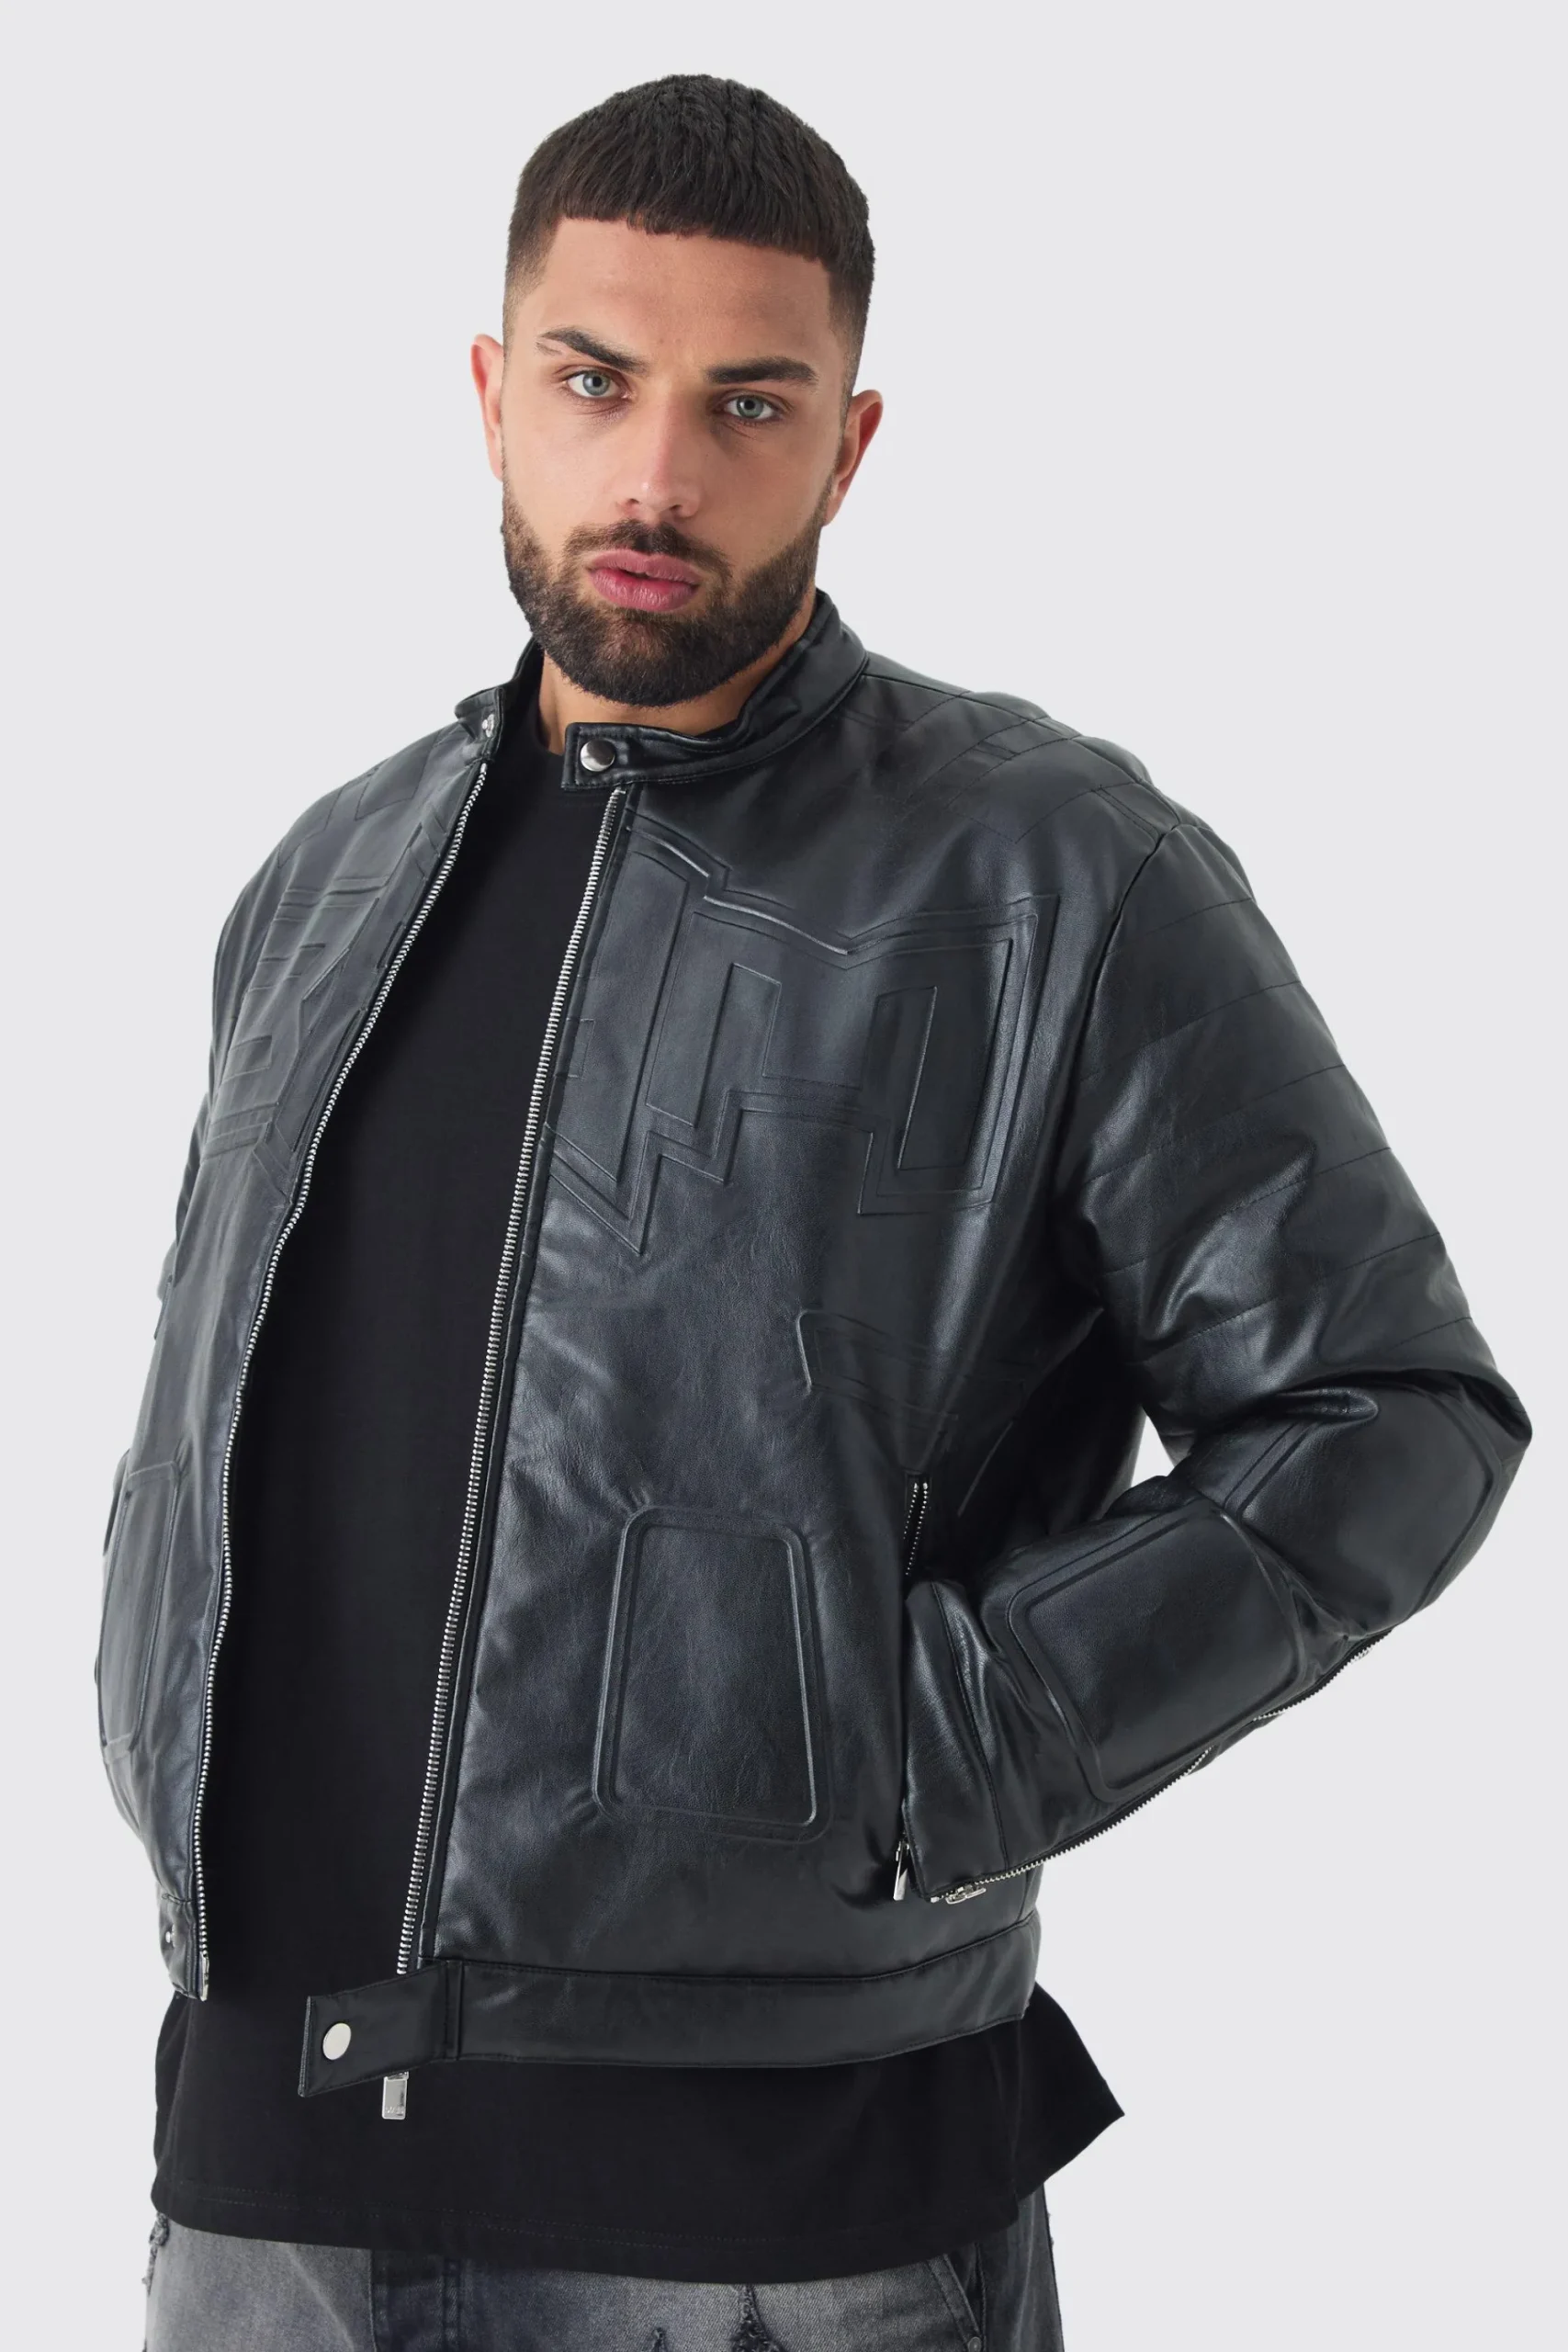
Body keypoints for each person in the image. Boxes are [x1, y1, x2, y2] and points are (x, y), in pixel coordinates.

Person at [100, 73, 1529, 2352]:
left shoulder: (1049, 872)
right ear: (492, 395)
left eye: (745, 404)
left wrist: (930, 1743)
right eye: (595, 382)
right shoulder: (329, 876)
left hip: (780, 2219)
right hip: (264, 2191)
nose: (656, 475)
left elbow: (1388, 1410)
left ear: (848, 445)